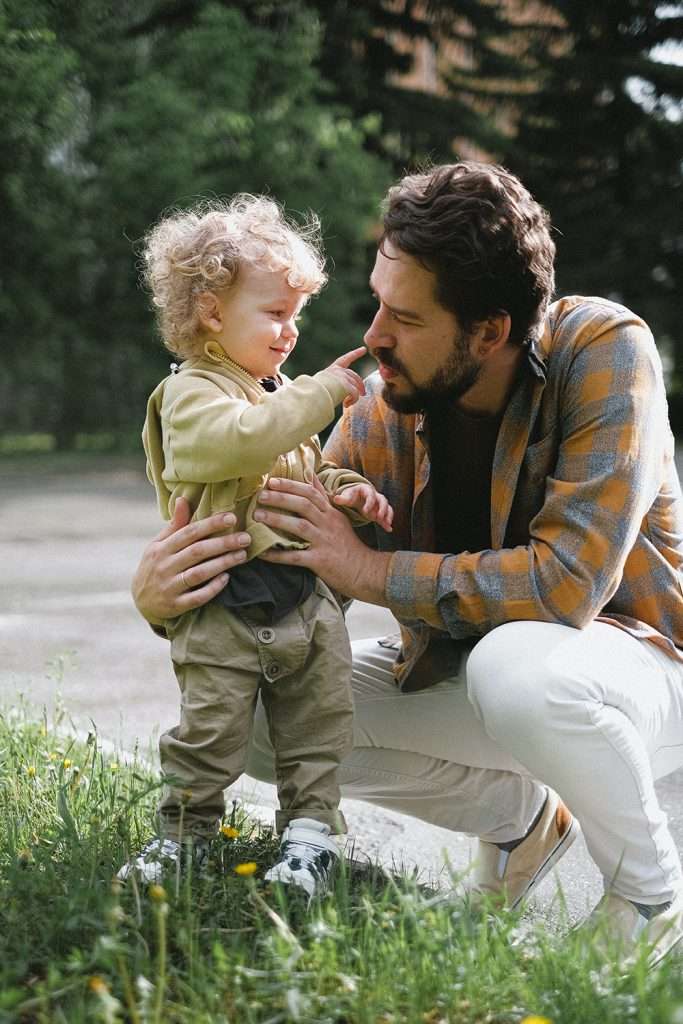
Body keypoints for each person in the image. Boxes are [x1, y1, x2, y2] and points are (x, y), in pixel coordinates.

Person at [132, 163, 683, 966]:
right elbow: (297, 562)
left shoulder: (600, 348)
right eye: (377, 302)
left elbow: (566, 584)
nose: (374, 335)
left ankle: (647, 895)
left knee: (516, 669)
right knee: (261, 718)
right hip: (472, 676)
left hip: (637, 667)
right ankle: (522, 823)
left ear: (487, 331)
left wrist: (368, 573)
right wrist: (161, 595)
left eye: (405, 316)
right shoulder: (384, 401)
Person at [119, 195, 393, 898]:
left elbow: (293, 459)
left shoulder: (267, 395)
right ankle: (183, 835)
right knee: (208, 733)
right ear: (212, 313)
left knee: (318, 728)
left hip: (301, 604)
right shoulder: (193, 393)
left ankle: (308, 840)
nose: (290, 332)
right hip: (223, 608)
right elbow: (234, 444)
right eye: (275, 313)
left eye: (296, 316)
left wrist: (343, 487)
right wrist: (324, 392)